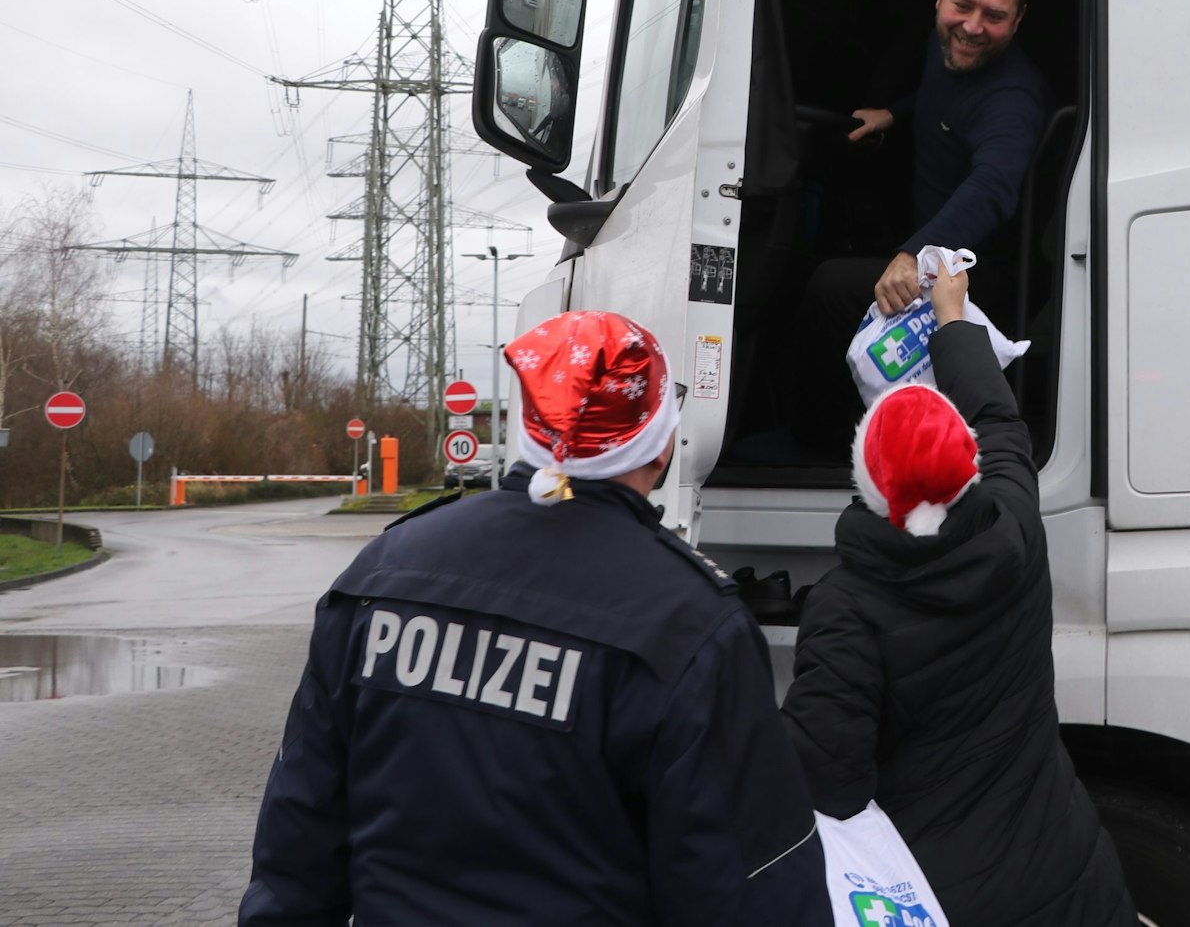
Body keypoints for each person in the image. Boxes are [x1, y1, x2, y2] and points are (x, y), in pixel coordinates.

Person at [239, 310, 831, 927]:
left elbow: (298, 836)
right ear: (658, 444)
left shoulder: (385, 572)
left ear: (527, 426)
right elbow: (751, 884)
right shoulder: (691, 624)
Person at [781, 268, 1136, 926]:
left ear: (867, 479)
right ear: (966, 462)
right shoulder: (1013, 530)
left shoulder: (845, 609)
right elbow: (999, 420)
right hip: (1071, 875)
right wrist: (951, 317)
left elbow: (829, 781)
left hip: (944, 893)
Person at [785, 0, 1047, 452]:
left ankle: (823, 448)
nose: (972, 27)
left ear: (1017, 21)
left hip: (971, 272)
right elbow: (941, 96)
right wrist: (895, 114)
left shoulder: (1012, 98)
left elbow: (992, 187)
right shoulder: (946, 45)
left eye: (994, 16)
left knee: (827, 288)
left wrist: (913, 255)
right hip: (928, 237)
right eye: (963, 6)